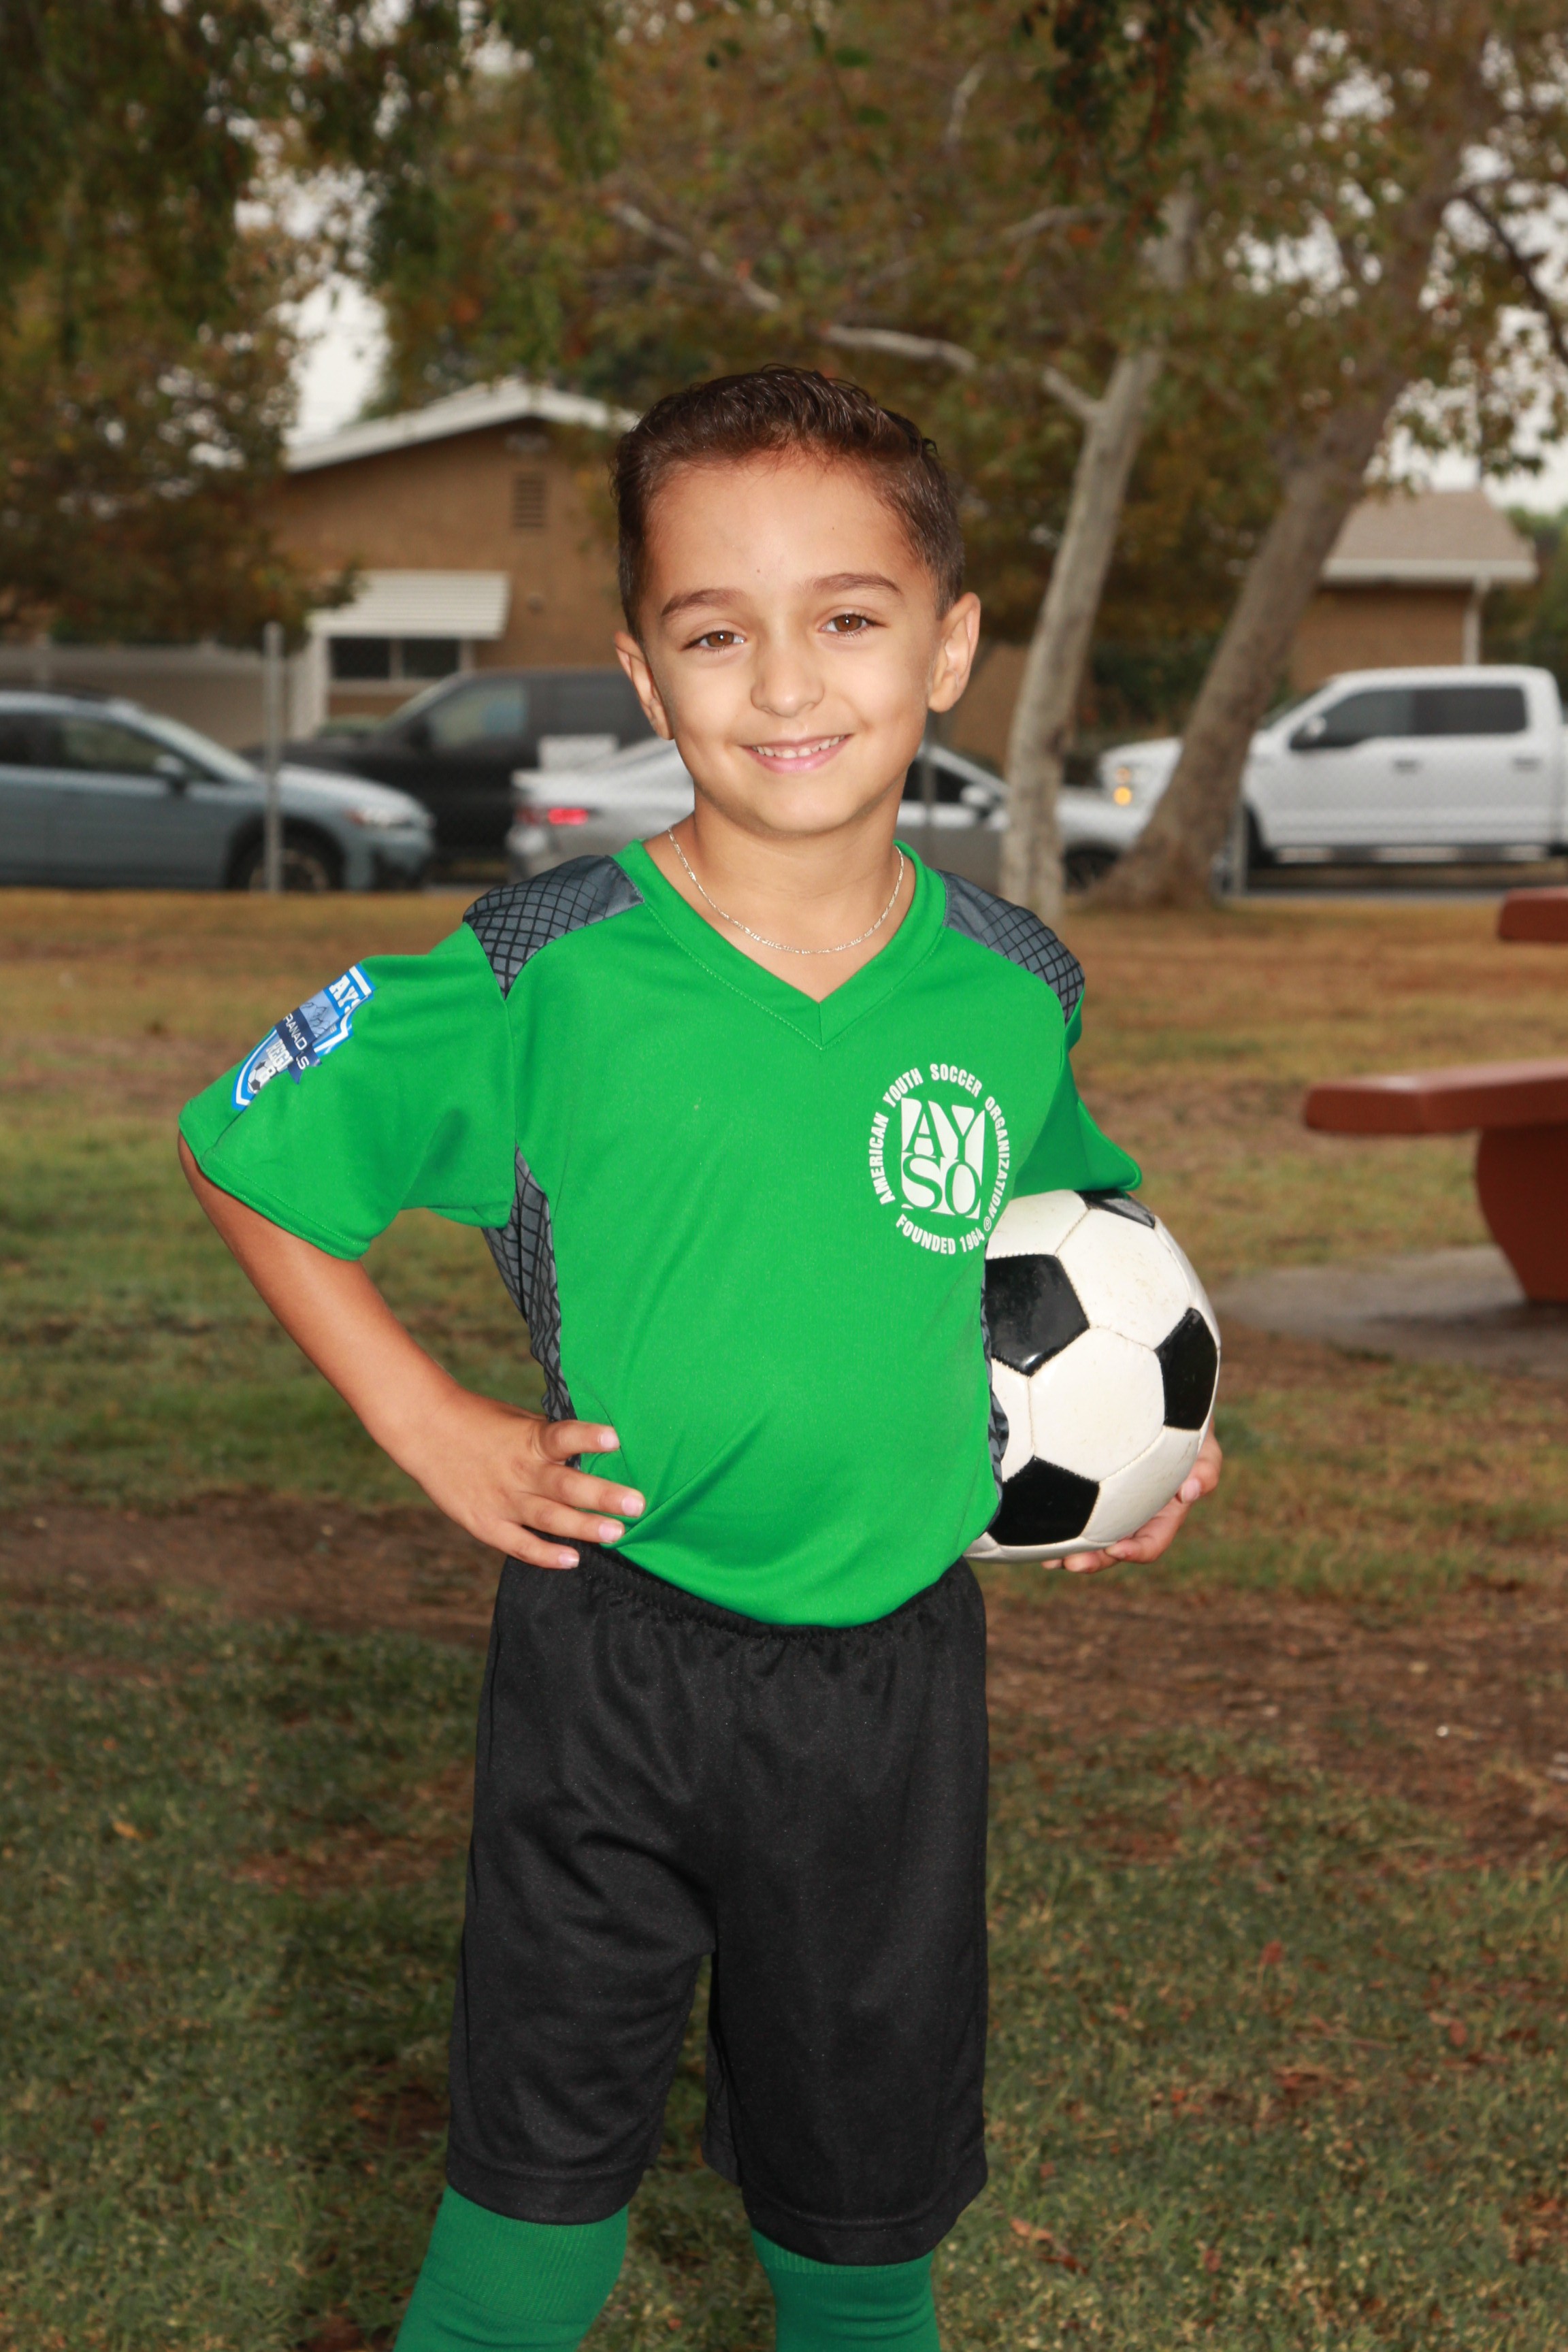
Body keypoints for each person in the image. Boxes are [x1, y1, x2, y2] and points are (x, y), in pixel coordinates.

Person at [178, 368, 1221, 2352]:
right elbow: (248, 1146)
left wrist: (1157, 1446)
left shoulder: (1013, 989)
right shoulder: (542, 966)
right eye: (716, 632)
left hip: (891, 1693)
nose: (787, 682)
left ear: (950, 647)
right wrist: (428, 1419)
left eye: (849, 616)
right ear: (645, 678)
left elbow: (1075, 1243)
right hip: (611, 1664)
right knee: (529, 2215)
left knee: (862, 2235)